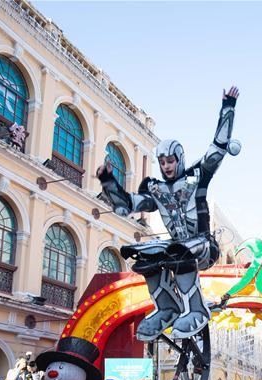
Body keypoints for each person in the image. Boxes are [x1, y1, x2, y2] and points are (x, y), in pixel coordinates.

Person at [97, 86, 240, 341]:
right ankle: (167, 308)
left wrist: (228, 106)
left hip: (204, 246)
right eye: (162, 162)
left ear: (180, 159)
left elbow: (218, 148)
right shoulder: (157, 189)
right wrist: (108, 181)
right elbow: (128, 204)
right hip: (177, 245)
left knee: (179, 251)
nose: (166, 167)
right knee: (142, 254)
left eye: (170, 161)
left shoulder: (196, 177)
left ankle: (196, 309)